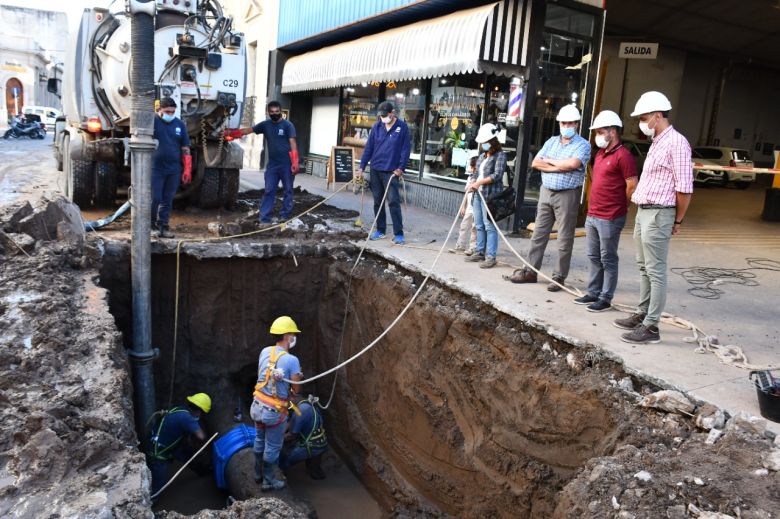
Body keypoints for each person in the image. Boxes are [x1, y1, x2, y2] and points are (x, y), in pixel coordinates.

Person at [614, 91, 693, 344]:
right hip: (645, 211)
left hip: (659, 212)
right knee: (643, 266)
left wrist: (677, 220)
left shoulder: (677, 143)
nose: (641, 123)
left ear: (658, 116)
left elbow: (684, 188)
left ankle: (652, 326)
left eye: (644, 118)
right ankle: (643, 312)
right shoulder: (658, 142)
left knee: (655, 270)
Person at [505, 104, 591, 290]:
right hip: (546, 191)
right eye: (564, 122)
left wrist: (551, 163)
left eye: (570, 123)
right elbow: (536, 162)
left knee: (564, 237)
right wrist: (559, 165)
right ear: (559, 123)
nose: (567, 126)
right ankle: (530, 271)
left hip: (568, 194)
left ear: (576, 124)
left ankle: (558, 277)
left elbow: (572, 164)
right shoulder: (551, 141)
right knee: (538, 233)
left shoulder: (583, 145)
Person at [574, 110, 638, 313]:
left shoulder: (624, 156)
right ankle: (593, 292)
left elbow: (632, 185)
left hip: (611, 216)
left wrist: (623, 206)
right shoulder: (600, 154)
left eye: (600, 132)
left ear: (613, 131)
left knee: (608, 258)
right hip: (593, 214)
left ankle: (606, 297)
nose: (597, 136)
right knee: (593, 256)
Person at [250, 315, 303, 491]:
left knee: (259, 439)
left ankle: (257, 473)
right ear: (288, 336)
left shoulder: (265, 351)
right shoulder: (292, 360)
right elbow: (296, 390)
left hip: (257, 406)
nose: (295, 337)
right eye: (293, 334)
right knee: (272, 446)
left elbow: (264, 374)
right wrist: (297, 378)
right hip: (273, 412)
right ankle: (268, 480)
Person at [224, 101, 299, 224]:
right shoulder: (265, 125)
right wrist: (232, 134)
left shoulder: (288, 125)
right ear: (268, 112)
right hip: (272, 165)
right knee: (269, 190)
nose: (274, 114)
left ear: (280, 111)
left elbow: (293, 143)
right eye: (272, 112)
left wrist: (295, 162)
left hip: (287, 164)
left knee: (288, 190)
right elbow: (249, 130)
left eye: (277, 111)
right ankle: (265, 218)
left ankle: (284, 216)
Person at [357, 101, 411, 245]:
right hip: (376, 169)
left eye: (384, 116)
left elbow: (406, 150)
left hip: (392, 171)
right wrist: (361, 166)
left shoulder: (402, 127)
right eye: (380, 116)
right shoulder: (377, 126)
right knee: (377, 201)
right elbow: (369, 148)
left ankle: (399, 234)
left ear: (391, 113)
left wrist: (401, 168)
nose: (382, 118)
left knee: (393, 201)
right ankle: (380, 230)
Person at [146, 392, 211, 496]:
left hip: (159, 443)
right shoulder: (188, 419)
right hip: (158, 453)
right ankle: (152, 501)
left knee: (186, 454)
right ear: (199, 412)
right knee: (159, 486)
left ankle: (202, 470)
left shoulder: (180, 409)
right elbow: (201, 437)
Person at [465, 124, 506, 269]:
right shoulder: (482, 156)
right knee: (479, 224)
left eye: (485, 142)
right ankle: (480, 251)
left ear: (492, 141)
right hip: (478, 194)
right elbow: (476, 173)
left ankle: (491, 256)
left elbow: (497, 175)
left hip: (490, 196)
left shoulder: (500, 155)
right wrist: (473, 184)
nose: (483, 145)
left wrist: (480, 182)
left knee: (490, 225)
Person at [152, 97, 192, 238]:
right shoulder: (152, 122)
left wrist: (187, 168)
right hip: (155, 168)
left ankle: (163, 225)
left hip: (174, 169)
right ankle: (151, 225)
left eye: (172, 112)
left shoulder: (179, 125)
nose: (170, 114)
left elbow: (185, 147)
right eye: (167, 111)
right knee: (155, 197)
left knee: (167, 199)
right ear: (159, 110)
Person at [279, 394, 328, 480]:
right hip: (321, 442)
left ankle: (281, 477)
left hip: (310, 446)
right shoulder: (306, 402)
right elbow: (292, 421)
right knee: (314, 472)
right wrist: (282, 431)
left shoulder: (300, 410)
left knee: (284, 460)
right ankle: (316, 471)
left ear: (291, 398)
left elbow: (292, 435)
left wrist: (277, 439)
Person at [449, 150, 479, 255]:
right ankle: (460, 245)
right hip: (469, 204)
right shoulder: (470, 177)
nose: (472, 169)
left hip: (477, 204)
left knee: (475, 227)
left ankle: (472, 247)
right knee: (464, 224)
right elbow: (467, 192)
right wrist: (463, 206)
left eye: (474, 167)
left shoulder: (479, 178)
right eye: (472, 167)